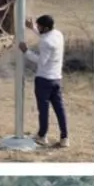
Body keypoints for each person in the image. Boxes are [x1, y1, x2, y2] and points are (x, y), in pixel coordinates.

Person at [19, 15, 69, 148]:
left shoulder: (45, 42)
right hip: (57, 79)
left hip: (44, 80)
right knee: (60, 109)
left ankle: (42, 136)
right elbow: (45, 37)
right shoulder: (57, 34)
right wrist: (33, 28)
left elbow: (41, 61)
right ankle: (65, 138)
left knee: (44, 110)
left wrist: (26, 52)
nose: (38, 28)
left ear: (45, 28)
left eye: (39, 26)